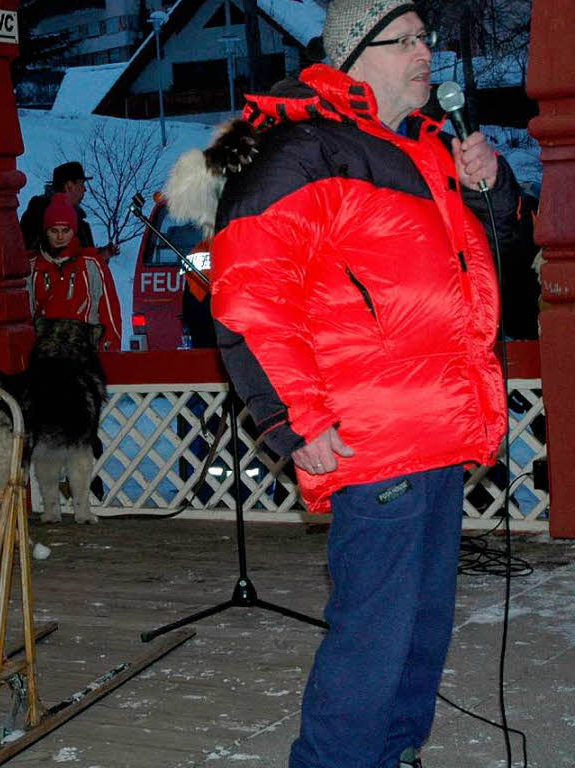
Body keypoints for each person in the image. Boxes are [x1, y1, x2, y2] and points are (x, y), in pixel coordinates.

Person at [206, 2, 518, 767]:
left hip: (439, 427)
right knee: (372, 638)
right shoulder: (303, 150)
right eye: (405, 40)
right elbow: (249, 295)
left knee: (422, 626)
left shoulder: (425, 149)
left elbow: (490, 259)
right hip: (372, 434)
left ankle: (396, 753)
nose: (425, 53)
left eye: (426, 39)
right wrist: (294, 421)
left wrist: (491, 189)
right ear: (352, 56)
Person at [28, 193, 122, 352]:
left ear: (74, 230)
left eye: (65, 230)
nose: (59, 237)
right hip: (46, 358)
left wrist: (109, 353)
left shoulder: (91, 264)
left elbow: (110, 312)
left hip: (85, 356)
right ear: (46, 231)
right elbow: (26, 316)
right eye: (53, 230)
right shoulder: (33, 267)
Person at [20, 162, 117, 260]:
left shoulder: (82, 225)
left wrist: (101, 255)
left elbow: (88, 267)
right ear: (69, 186)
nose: (85, 189)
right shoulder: (37, 216)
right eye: (82, 184)